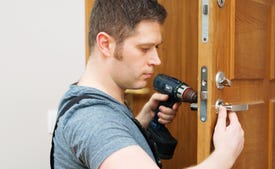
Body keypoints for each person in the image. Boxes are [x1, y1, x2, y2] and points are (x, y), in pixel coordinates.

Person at [52, 0, 244, 169]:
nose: (156, 60)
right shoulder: (93, 119)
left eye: (156, 47)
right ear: (105, 44)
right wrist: (225, 155)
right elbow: (102, 130)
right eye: (144, 48)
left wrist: (139, 123)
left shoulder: (90, 100)